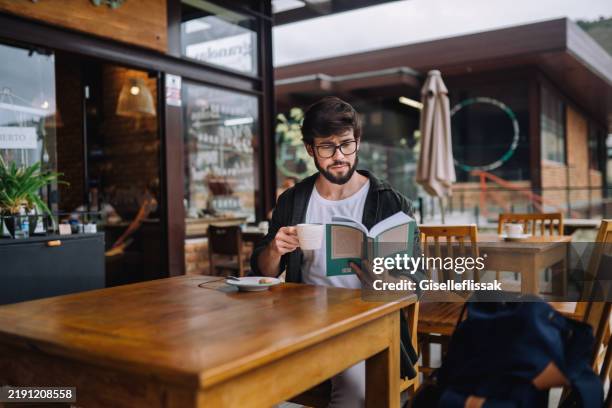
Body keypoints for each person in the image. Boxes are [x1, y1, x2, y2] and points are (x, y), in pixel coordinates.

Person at [250, 96, 421, 407]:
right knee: (246, 376)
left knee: (355, 391)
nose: (339, 156)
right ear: (310, 150)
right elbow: (263, 272)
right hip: (301, 322)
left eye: (346, 144)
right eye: (327, 147)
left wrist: (383, 280)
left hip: (366, 324)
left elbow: (414, 284)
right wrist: (275, 249)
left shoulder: (391, 203)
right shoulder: (293, 200)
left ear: (357, 142)